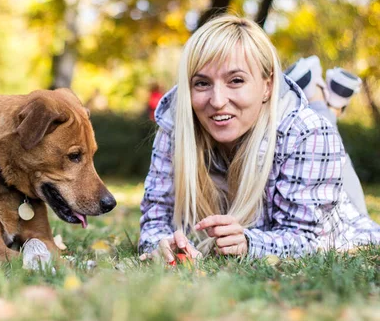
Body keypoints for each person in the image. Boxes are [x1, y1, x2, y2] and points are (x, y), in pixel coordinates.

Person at [139, 15, 380, 261]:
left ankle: (321, 102)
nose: (218, 101)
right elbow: (155, 220)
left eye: (236, 80)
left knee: (327, 135)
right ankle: (327, 103)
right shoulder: (175, 126)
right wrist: (160, 244)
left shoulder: (308, 132)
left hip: (337, 221)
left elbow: (306, 237)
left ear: (268, 85)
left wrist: (249, 242)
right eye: (202, 83)